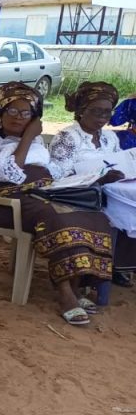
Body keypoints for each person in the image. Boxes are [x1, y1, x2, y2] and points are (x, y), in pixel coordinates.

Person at [0, 82, 115, 326]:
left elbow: (54, 171)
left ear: (33, 116)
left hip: (43, 193)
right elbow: (5, 173)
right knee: (55, 217)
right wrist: (28, 136)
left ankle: (77, 285)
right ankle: (65, 294)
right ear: (0, 112)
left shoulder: (38, 144)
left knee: (91, 212)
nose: (18, 117)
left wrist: (93, 176)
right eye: (11, 111)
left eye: (25, 113)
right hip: (5, 201)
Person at [49, 81, 136, 286]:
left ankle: (120, 263)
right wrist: (97, 177)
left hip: (111, 191)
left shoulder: (109, 138)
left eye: (107, 113)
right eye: (96, 112)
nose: (102, 118)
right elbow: (58, 178)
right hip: (80, 195)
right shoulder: (68, 137)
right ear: (81, 110)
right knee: (124, 210)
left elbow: (118, 163)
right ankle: (102, 270)